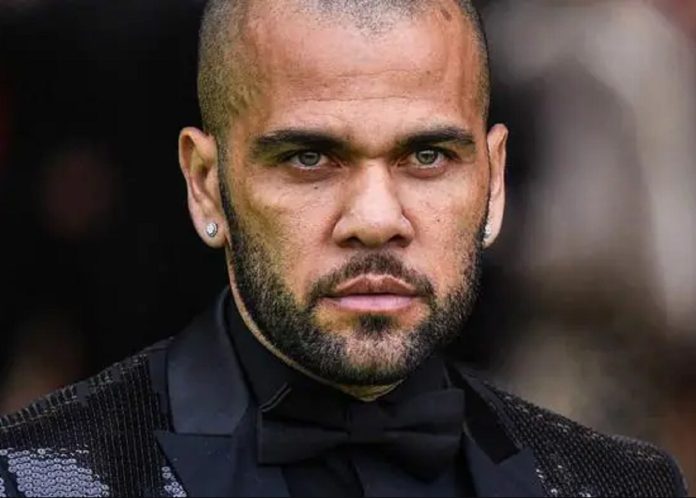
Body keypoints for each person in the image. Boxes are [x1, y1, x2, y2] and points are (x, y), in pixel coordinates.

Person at [0, 0, 686, 496]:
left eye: (427, 156)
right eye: (309, 159)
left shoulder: (620, 484)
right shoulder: (35, 478)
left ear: (495, 183)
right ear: (206, 187)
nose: (376, 219)